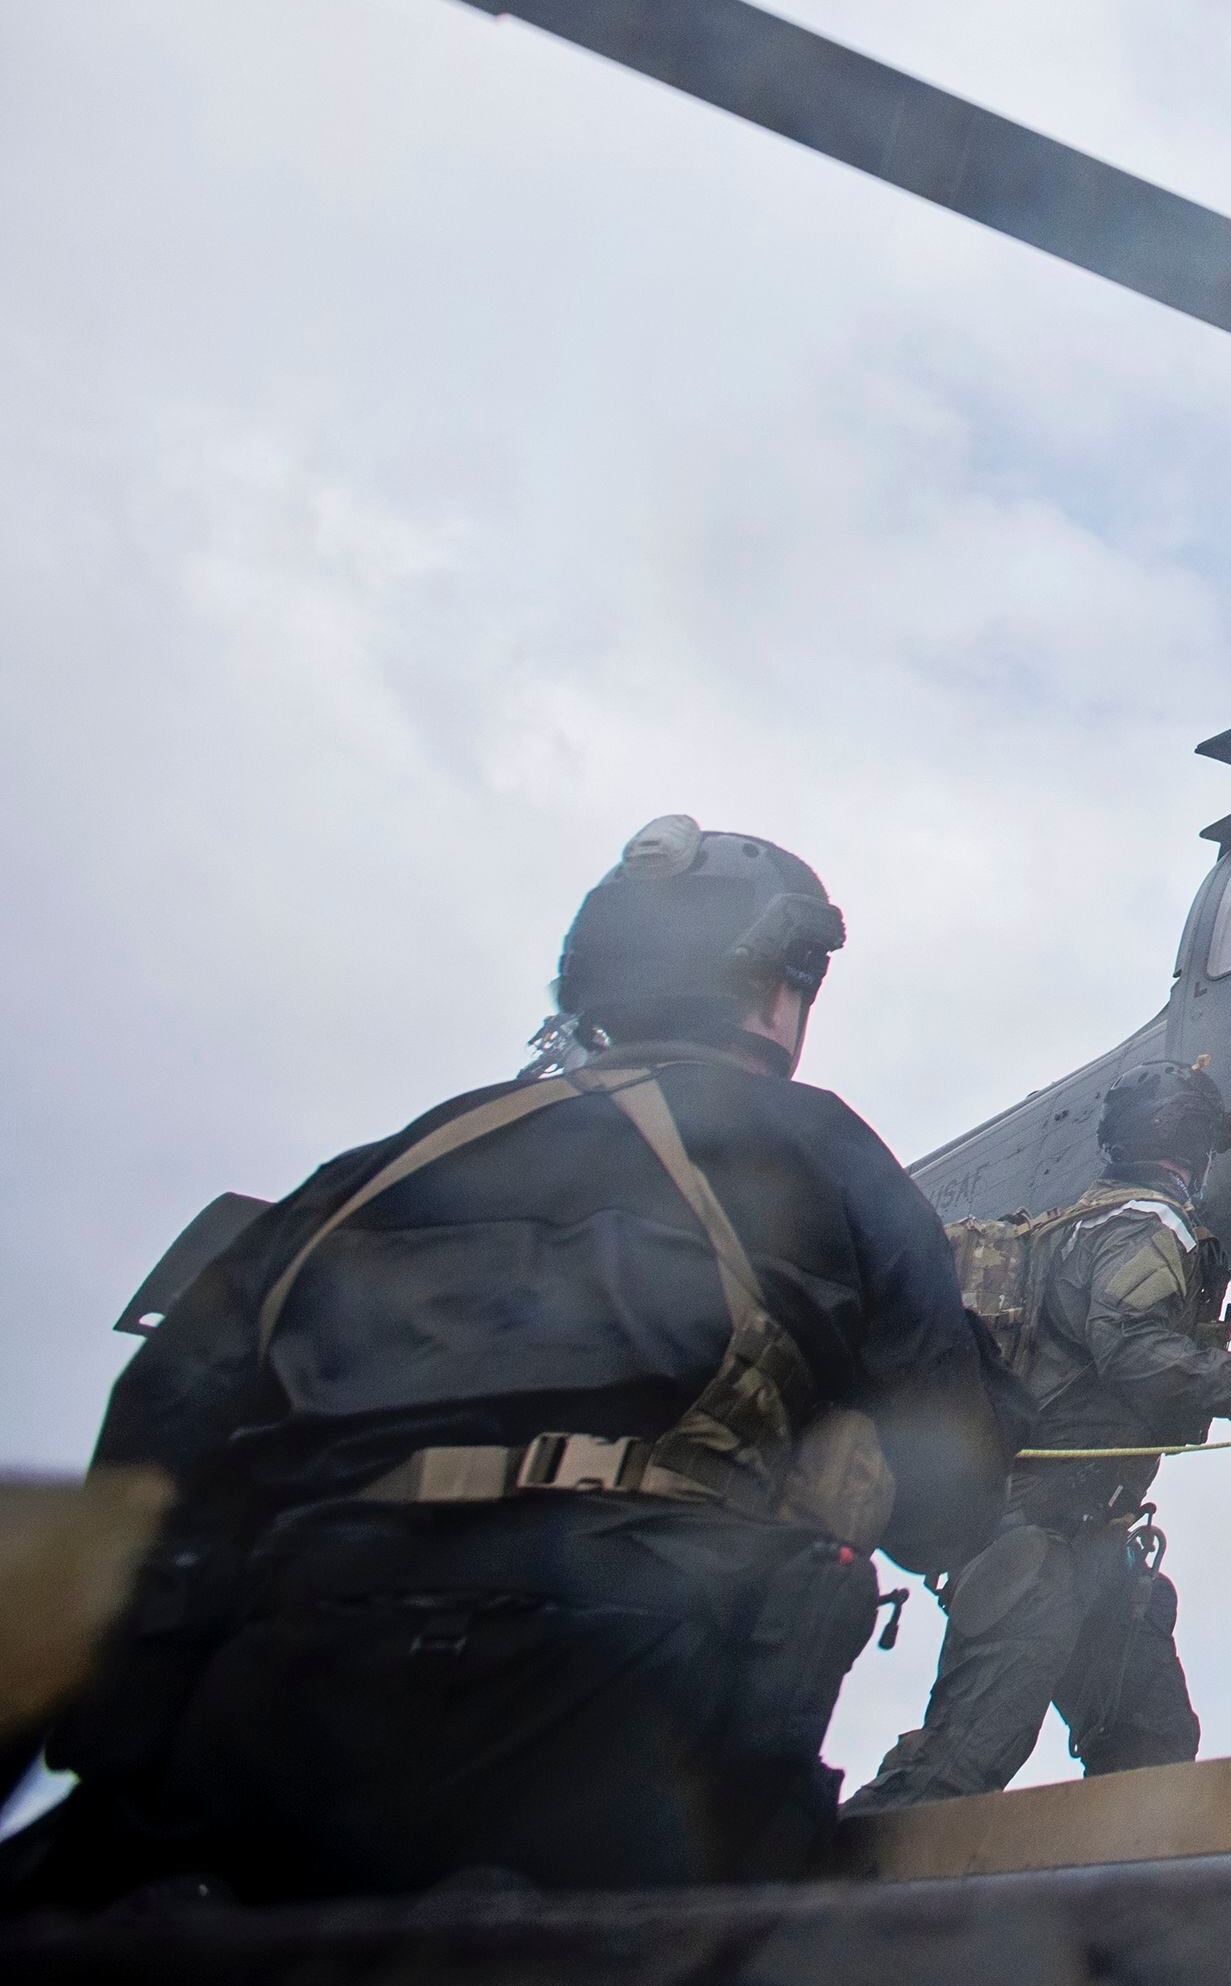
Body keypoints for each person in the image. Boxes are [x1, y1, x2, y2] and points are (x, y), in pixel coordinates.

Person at [3, 816, 1006, 1909]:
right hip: (621, 1735)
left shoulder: (365, 1176)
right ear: (777, 988)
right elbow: (947, 1509)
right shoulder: (819, 1148)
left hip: (273, 1717)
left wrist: (140, 1763)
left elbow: (147, 1478)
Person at [846, 1061, 1231, 1813]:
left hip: (1088, 1548)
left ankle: (1110, 1920)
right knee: (960, 1767)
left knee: (1149, 1754)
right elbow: (1135, 1350)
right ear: (1194, 1144)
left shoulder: (1071, 1227)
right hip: (1038, 1547)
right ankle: (811, 1905)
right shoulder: (1147, 1227)